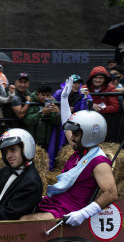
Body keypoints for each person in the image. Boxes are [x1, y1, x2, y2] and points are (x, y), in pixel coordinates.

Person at [20, 77, 117, 227]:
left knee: (23, 221)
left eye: (76, 134)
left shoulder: (98, 161)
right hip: (56, 202)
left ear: (89, 135)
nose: (71, 137)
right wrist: (64, 99)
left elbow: (111, 193)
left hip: (68, 210)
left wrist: (83, 213)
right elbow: (66, 126)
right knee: (15, 207)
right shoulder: (82, 148)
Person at [49, 74, 91, 169]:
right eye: (74, 83)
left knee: (72, 146)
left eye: (78, 83)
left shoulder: (83, 94)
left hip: (75, 126)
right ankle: (54, 167)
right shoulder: (60, 93)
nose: (76, 85)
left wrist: (85, 98)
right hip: (60, 125)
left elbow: (85, 110)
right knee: (56, 147)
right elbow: (49, 104)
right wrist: (60, 110)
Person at [23, 82, 61, 149]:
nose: (45, 98)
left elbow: (56, 122)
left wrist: (58, 113)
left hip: (47, 141)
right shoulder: (30, 100)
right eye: (43, 95)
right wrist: (41, 113)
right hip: (32, 139)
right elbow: (27, 120)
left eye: (48, 95)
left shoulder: (52, 101)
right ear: (38, 93)